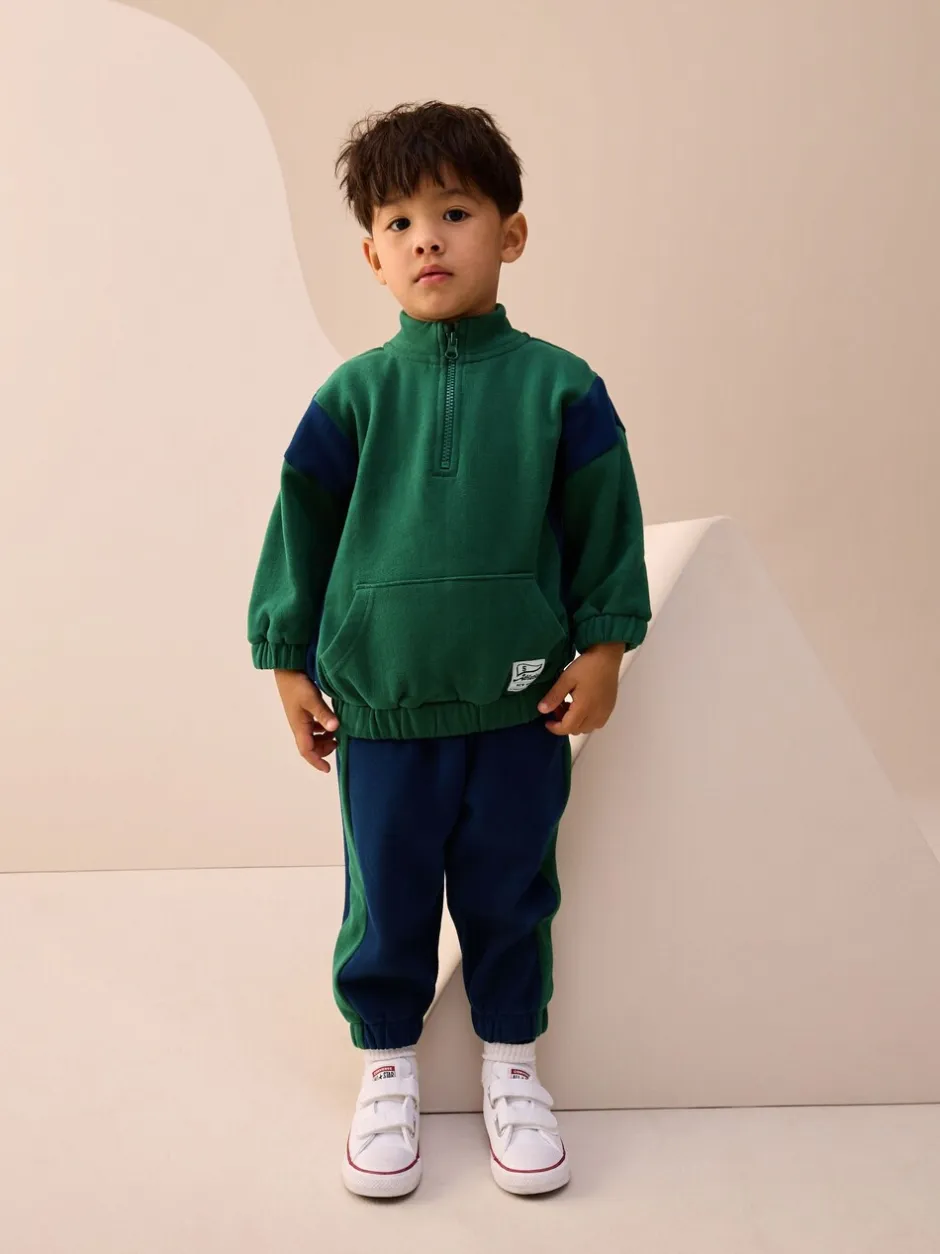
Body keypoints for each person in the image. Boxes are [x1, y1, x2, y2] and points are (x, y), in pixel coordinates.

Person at [247, 101, 651, 1199]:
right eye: (399, 221)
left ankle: (512, 1063)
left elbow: (605, 527)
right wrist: (287, 664)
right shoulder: (352, 397)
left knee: (512, 890)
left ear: (509, 233)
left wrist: (606, 647)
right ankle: (387, 1063)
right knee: (385, 895)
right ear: (372, 256)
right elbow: (299, 532)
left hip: (521, 709)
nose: (427, 237)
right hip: (381, 710)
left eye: (455, 212)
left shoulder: (562, 388)